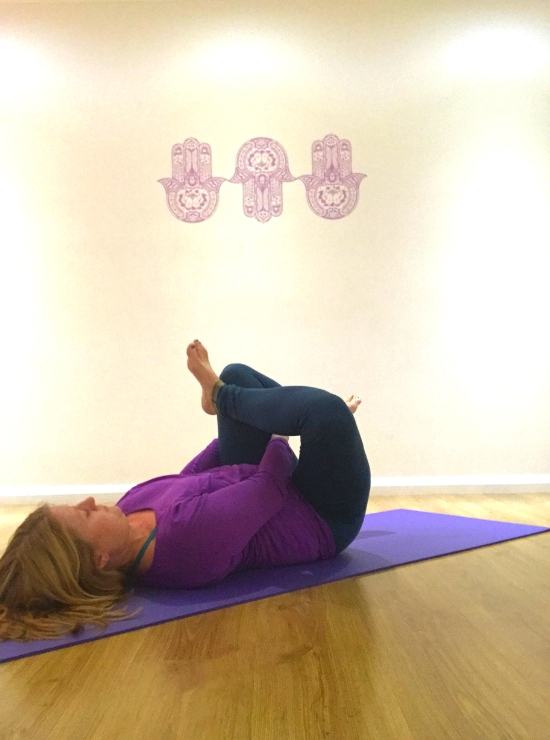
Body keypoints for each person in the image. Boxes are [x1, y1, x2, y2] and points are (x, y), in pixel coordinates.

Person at [0, 340, 370, 641]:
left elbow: (187, 480)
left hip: (261, 484)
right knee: (326, 412)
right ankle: (223, 397)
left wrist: (226, 435)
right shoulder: (185, 543)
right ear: (99, 559)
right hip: (320, 515)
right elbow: (269, 487)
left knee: (237, 373)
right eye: (84, 514)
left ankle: (223, 395)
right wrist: (284, 431)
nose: (89, 501)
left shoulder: (128, 514)